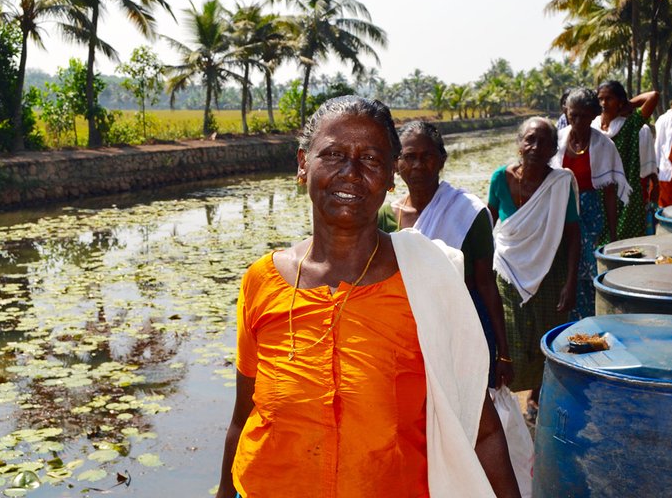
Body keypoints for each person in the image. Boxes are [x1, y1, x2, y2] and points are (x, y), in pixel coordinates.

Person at [216, 96, 520, 498]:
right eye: (333, 154)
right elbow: (243, 416)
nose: (351, 173)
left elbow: (480, 429)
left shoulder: (426, 279)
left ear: (391, 175)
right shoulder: (262, 280)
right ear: (303, 163)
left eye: (371, 160)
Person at [378, 121, 513, 388]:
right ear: (396, 163)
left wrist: (504, 354)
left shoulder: (469, 213)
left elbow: (486, 284)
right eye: (409, 157)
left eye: (426, 156)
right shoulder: (385, 217)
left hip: (462, 328)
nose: (417, 165)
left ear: (441, 160)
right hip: (407, 334)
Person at [488, 117, 580, 420]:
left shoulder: (560, 183)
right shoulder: (500, 178)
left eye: (544, 142)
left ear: (554, 148)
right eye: (530, 139)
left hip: (549, 270)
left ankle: (538, 394)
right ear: (519, 143)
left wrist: (570, 283)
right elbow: (487, 223)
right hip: (507, 269)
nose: (536, 147)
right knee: (510, 334)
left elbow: (572, 235)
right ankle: (504, 396)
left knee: (546, 333)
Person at [552, 87, 629, 320]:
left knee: (585, 266)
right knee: (562, 265)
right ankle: (563, 316)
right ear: (566, 112)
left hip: (589, 213)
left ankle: (586, 318)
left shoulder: (604, 145)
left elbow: (609, 193)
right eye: (573, 115)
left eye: (584, 116)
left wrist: (614, 235)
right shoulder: (557, 141)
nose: (577, 121)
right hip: (561, 210)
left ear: (593, 115)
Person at [593, 81, 659, 240]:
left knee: (627, 243)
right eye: (600, 99)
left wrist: (629, 104)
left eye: (609, 99)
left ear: (620, 101)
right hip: (599, 192)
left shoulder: (630, 125)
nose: (603, 103)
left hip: (626, 194)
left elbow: (653, 96)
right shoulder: (592, 127)